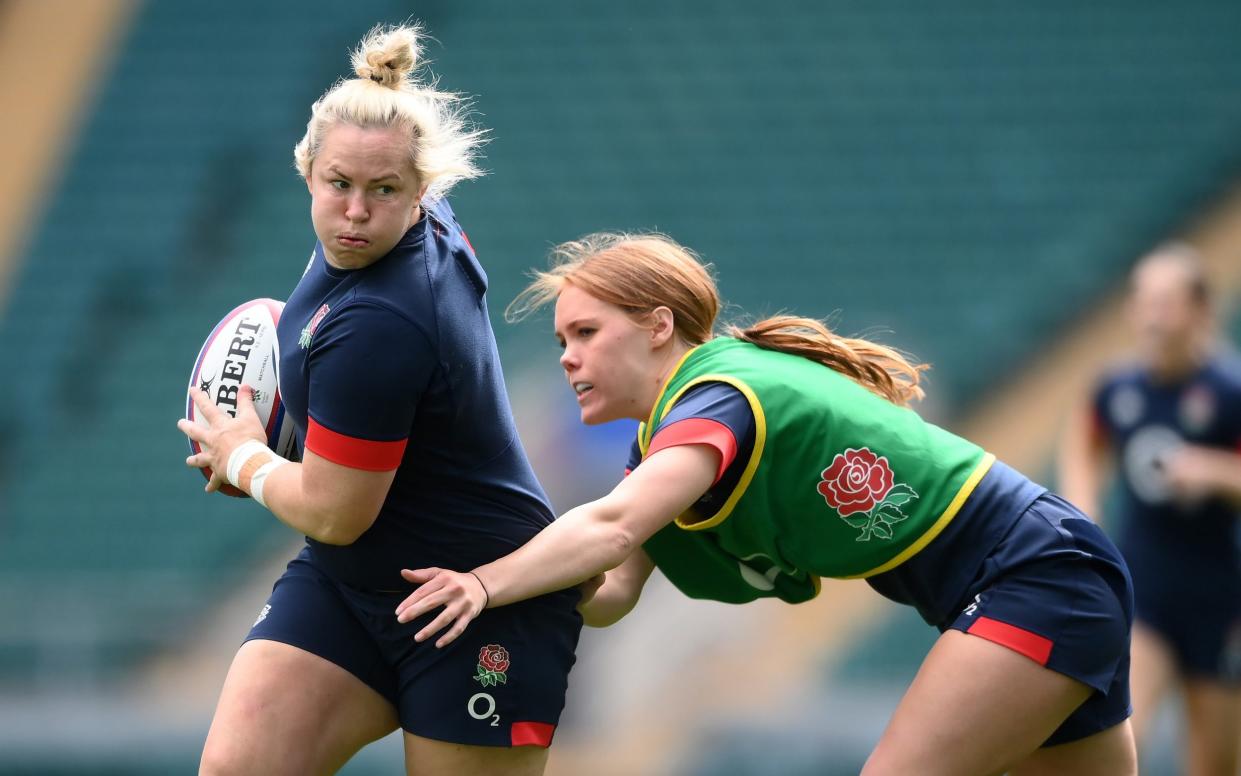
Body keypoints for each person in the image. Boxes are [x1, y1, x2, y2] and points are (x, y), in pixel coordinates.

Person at [393, 232, 1140, 775]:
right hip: (1045, 580)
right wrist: (515, 574)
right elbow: (614, 588)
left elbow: (614, 529)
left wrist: (484, 583)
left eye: (586, 331)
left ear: (658, 325)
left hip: (1033, 577)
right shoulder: (667, 437)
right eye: (562, 339)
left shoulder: (717, 396)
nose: (567, 355)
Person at [176, 25, 581, 776]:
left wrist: (246, 459)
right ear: (307, 173)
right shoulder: (405, 226)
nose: (356, 211)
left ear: (420, 192)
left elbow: (335, 509)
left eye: (383, 190)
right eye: (339, 184)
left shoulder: (381, 323)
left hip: (475, 602)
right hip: (348, 585)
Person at [1059, 244, 1241, 776]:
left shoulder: (1228, 393)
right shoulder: (1118, 388)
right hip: (1145, 588)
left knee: (1214, 763)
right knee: (1127, 734)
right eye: (1143, 301)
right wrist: (1082, 506)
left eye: (1166, 303)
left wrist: (1213, 472)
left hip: (1221, 598)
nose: (1151, 317)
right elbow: (1085, 440)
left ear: (1201, 312)